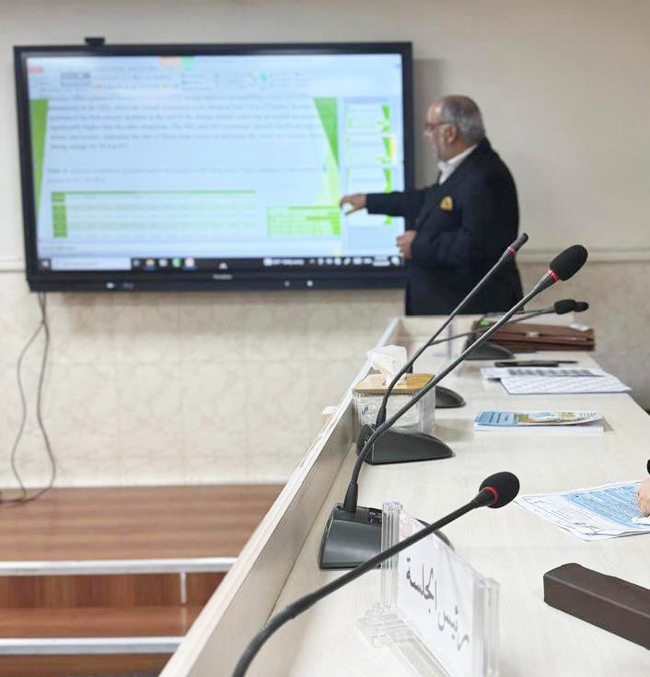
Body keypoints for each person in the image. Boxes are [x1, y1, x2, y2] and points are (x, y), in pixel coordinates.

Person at [340, 95, 523, 315]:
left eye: (430, 127)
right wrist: (369, 201)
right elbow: (429, 201)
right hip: (452, 310)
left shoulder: (486, 176)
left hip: (472, 312)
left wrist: (418, 245)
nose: (426, 135)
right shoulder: (465, 166)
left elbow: (476, 246)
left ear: (450, 133)